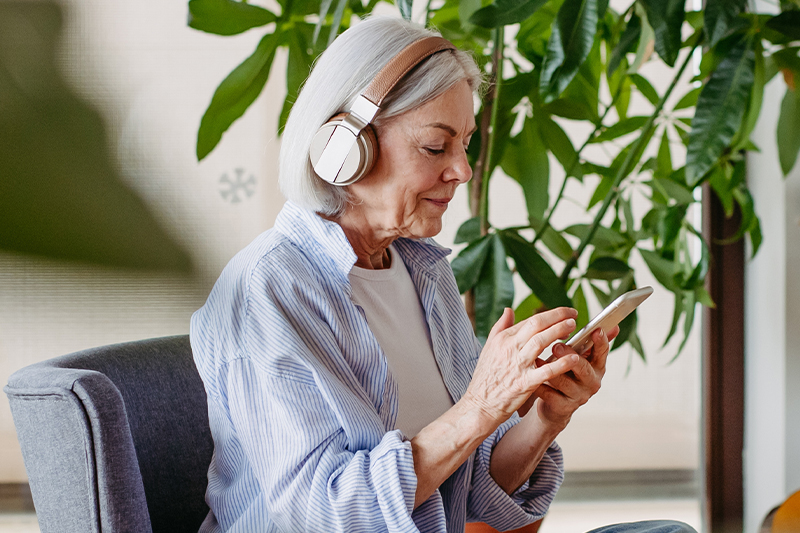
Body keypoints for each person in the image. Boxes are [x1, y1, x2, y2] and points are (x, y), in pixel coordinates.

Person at [190, 16, 697, 533]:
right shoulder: (267, 290)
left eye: (466, 143)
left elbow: (469, 494)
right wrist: (480, 406)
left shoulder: (423, 270)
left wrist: (545, 419)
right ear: (345, 148)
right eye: (436, 146)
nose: (463, 169)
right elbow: (325, 514)